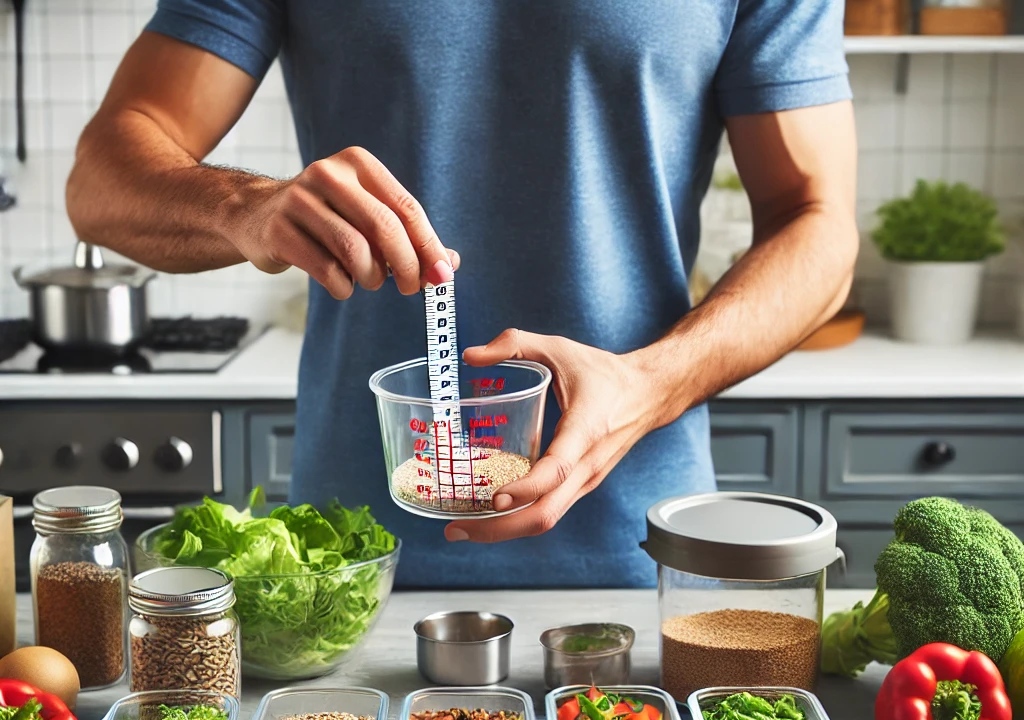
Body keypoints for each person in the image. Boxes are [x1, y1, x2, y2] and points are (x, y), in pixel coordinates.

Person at [66, 1, 857, 587]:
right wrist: (246, 207)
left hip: (644, 561)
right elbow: (102, 179)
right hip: (345, 572)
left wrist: (648, 386)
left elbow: (820, 228)